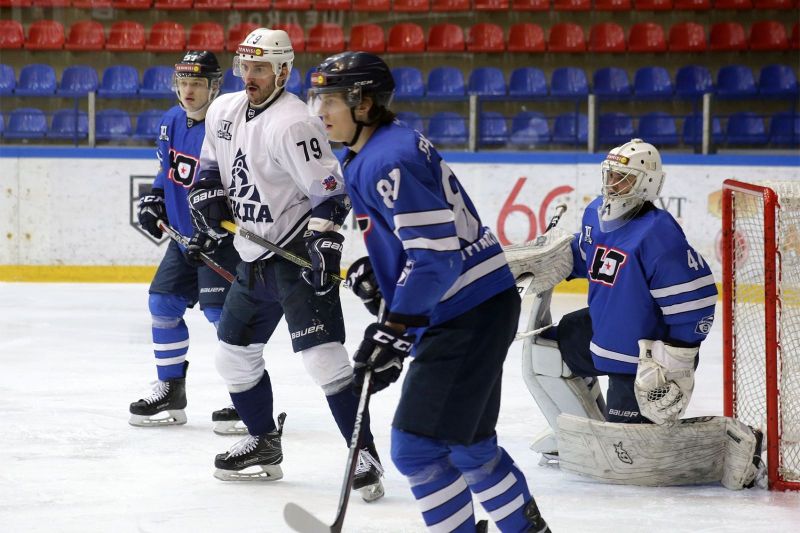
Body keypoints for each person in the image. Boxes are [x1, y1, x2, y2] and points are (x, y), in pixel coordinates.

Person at [309, 51, 550, 533]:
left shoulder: (387, 159)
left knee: (417, 448)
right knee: (469, 446)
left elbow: (437, 258)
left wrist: (396, 328)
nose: (320, 111)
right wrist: (383, 276)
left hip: (464, 311)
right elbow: (425, 245)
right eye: (317, 99)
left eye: (330, 100)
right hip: (479, 303)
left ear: (364, 103)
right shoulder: (378, 147)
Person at [187, 29, 384, 501]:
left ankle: (365, 454)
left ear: (283, 71)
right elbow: (211, 162)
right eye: (245, 67)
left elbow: (332, 194)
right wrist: (207, 191)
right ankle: (263, 442)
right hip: (253, 255)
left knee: (324, 360)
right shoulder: (223, 110)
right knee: (232, 357)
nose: (249, 76)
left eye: (260, 68)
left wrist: (325, 244)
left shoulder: (296, 124)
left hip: (295, 253)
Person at [512, 139, 761, 490]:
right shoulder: (594, 213)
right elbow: (588, 256)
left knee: (633, 453)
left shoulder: (658, 233)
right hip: (603, 335)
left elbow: (696, 302)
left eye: (623, 178)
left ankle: (724, 445)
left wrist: (677, 359)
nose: (612, 184)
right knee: (545, 350)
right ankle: (580, 435)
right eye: (610, 175)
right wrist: (553, 258)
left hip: (640, 362)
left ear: (647, 184)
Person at [129, 50, 245, 435]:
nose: (188, 90)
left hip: (222, 241)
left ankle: (247, 398)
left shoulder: (227, 128)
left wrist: (217, 229)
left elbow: (244, 182)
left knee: (222, 317)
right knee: (162, 303)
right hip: (184, 239)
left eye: (197, 82)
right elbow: (167, 170)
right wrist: (155, 197)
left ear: (215, 86)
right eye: (183, 82)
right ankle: (170, 391)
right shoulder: (171, 120)